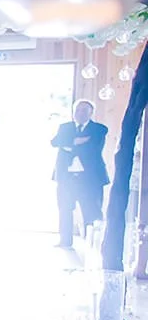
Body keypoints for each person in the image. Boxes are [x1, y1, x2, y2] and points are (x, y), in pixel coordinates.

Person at [53, 99, 109, 248]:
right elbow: (54, 142)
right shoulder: (65, 128)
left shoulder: (99, 129)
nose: (80, 113)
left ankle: (92, 243)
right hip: (67, 177)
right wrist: (77, 142)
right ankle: (65, 241)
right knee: (65, 209)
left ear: (91, 113)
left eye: (84, 110)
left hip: (90, 179)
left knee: (91, 210)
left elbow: (94, 149)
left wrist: (69, 145)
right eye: (77, 110)